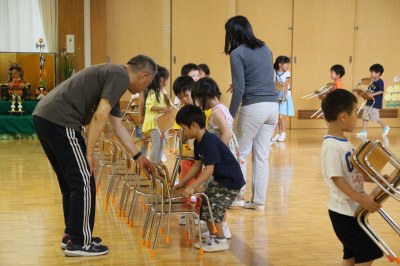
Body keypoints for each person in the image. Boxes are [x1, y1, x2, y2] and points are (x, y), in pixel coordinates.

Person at [33, 55, 157, 256]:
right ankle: (80, 242)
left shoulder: (113, 77)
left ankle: (73, 235)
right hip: (60, 120)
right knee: (83, 181)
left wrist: (138, 157)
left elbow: (118, 127)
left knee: (73, 181)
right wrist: (89, 153)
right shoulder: (120, 76)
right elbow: (99, 116)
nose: (144, 89)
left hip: (46, 117)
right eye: (147, 84)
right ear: (143, 75)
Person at [321, 89, 383, 265]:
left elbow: (354, 173)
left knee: (351, 254)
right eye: (355, 112)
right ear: (343, 117)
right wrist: (362, 199)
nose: (357, 116)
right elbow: (337, 179)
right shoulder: (331, 146)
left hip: (350, 210)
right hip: (343, 212)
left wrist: (378, 178)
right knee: (369, 250)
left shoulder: (343, 142)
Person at [174, 105, 245, 252]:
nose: (183, 132)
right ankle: (213, 237)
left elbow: (209, 168)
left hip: (230, 181)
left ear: (193, 125)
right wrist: (183, 182)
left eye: (183, 128)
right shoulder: (199, 142)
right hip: (221, 179)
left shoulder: (209, 141)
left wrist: (193, 187)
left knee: (214, 207)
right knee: (205, 204)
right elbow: (196, 166)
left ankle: (221, 240)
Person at [225, 15, 278, 210]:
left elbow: (239, 89)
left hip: (254, 107)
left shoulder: (237, 53)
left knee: (241, 153)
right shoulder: (266, 48)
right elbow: (263, 76)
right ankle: (258, 201)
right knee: (261, 156)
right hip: (273, 106)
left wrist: (229, 116)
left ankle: (237, 197)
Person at [191, 77, 242, 238]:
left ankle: (223, 229)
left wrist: (217, 152)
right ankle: (220, 226)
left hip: (223, 154)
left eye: (198, 99)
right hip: (225, 153)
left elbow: (226, 133)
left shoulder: (216, 111)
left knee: (218, 193)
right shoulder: (221, 108)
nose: (199, 103)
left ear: (203, 95)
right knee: (219, 195)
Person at [142, 65, 170, 163]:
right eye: (163, 79)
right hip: (154, 123)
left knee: (162, 145)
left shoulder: (163, 91)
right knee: (156, 144)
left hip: (161, 123)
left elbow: (167, 104)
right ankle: (152, 166)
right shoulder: (152, 92)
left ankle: (157, 164)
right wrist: (163, 109)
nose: (165, 82)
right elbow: (149, 107)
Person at [355, 64, 390, 137]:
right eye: (370, 72)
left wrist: (373, 95)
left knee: (375, 117)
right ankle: (364, 131)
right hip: (369, 101)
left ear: (378, 73)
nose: (370, 74)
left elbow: (381, 91)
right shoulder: (372, 82)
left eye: (372, 72)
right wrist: (365, 93)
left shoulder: (380, 82)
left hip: (375, 103)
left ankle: (385, 127)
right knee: (365, 116)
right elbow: (370, 90)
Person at [271, 56, 294, 142]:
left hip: (285, 95)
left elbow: (286, 86)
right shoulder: (273, 72)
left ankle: (283, 133)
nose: (288, 65)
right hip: (276, 94)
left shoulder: (287, 73)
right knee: (275, 116)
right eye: (286, 63)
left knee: (281, 117)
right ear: (280, 64)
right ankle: (277, 134)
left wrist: (284, 98)